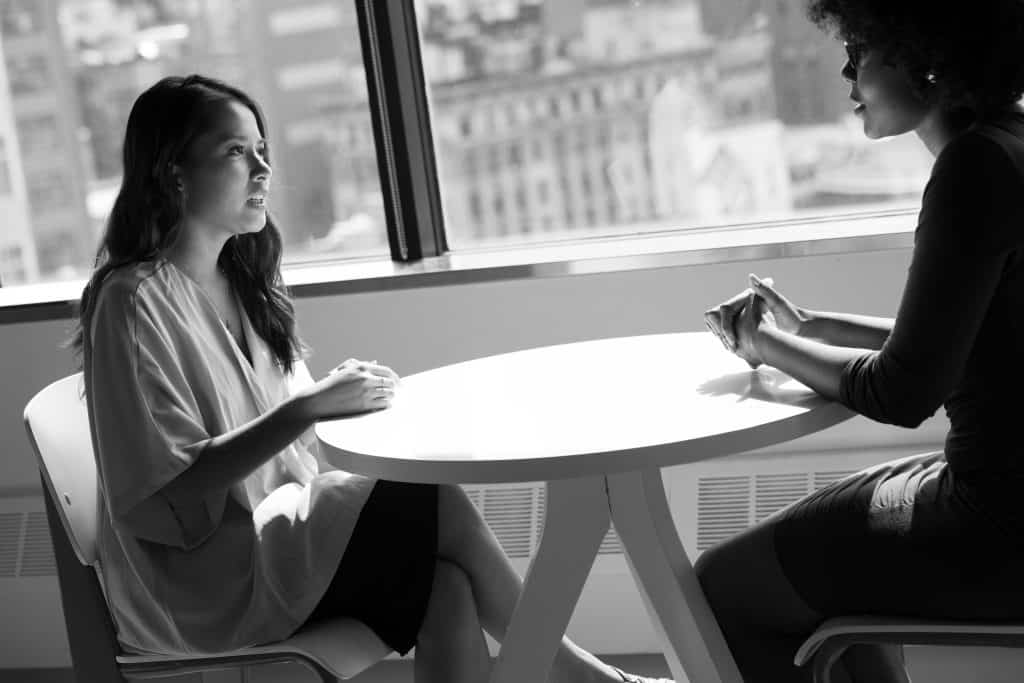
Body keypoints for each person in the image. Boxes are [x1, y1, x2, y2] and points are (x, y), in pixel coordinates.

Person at [71, 74, 670, 683]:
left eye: (262, 150)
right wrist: (307, 409)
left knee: (445, 584)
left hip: (276, 543)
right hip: (202, 586)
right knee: (432, 499)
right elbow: (163, 494)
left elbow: (291, 434)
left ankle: (583, 677)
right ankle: (585, 677)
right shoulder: (131, 302)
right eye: (235, 151)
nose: (262, 169)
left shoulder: (246, 281)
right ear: (173, 171)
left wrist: (334, 400)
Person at [698, 1, 1024, 681]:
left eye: (860, 47)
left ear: (920, 55)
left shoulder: (973, 172)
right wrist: (809, 328)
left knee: (723, 586)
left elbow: (905, 388)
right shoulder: (1010, 144)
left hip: (995, 525)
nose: (847, 70)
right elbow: (963, 343)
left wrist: (764, 343)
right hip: (999, 502)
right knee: (824, 539)